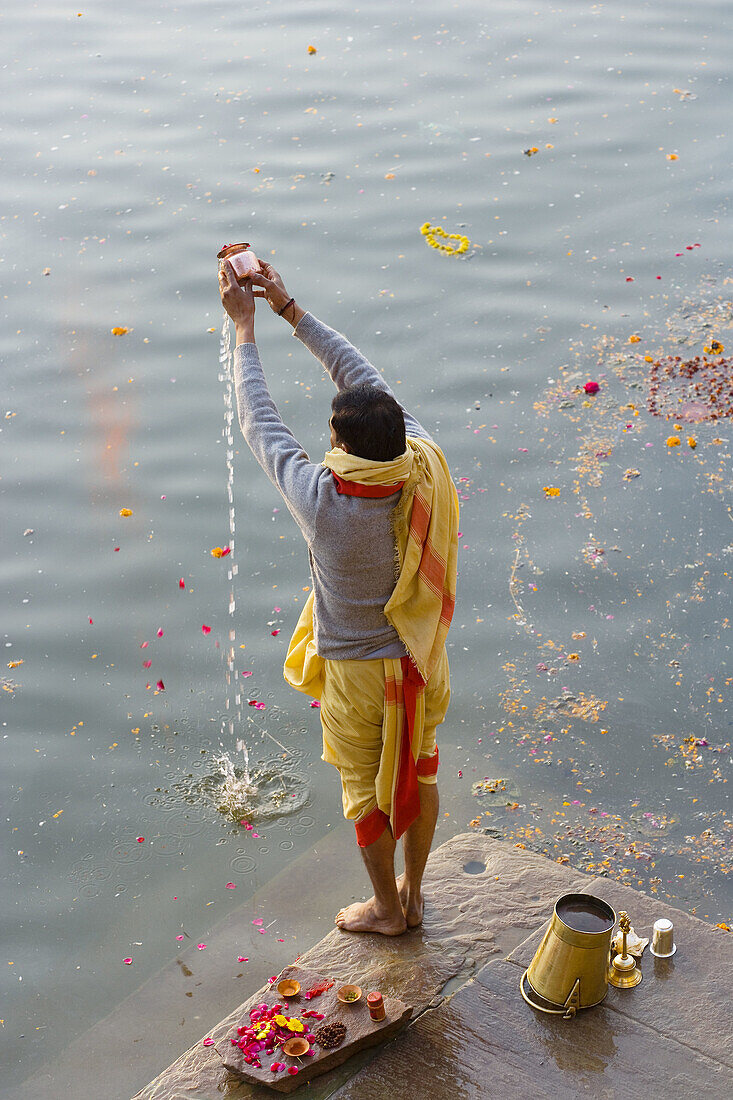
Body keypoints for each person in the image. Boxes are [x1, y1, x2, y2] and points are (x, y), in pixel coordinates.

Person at [218, 257, 459, 935]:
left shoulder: (321, 500)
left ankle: (387, 908)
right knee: (422, 762)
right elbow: (362, 375)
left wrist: (245, 327)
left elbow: (257, 421)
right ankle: (414, 890)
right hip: (422, 658)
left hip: (358, 678)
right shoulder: (424, 462)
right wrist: (289, 306)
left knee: (363, 790)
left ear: (338, 442)